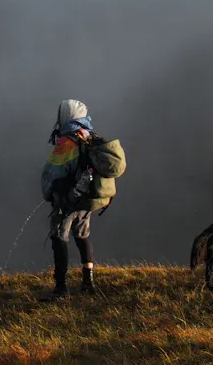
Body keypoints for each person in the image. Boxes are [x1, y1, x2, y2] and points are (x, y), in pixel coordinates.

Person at [39, 99, 126, 301]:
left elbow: (52, 172)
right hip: (88, 198)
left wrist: (51, 194)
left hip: (69, 200)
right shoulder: (88, 136)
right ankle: (88, 283)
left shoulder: (66, 143)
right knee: (82, 235)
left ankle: (61, 289)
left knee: (59, 237)